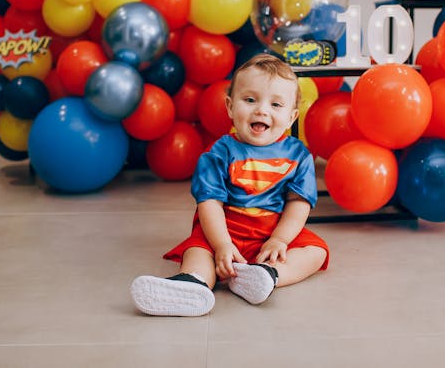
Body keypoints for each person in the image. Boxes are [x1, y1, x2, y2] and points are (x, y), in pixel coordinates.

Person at [131, 54, 329, 316]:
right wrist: (222, 244)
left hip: (273, 230)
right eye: (250, 100)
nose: (262, 110)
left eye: (276, 104)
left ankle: (268, 275)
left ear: (292, 117)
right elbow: (210, 203)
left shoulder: (299, 155)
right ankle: (193, 282)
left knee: (315, 251)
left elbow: (297, 202)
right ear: (230, 107)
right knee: (199, 250)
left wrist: (279, 240)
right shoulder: (219, 152)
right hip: (224, 228)